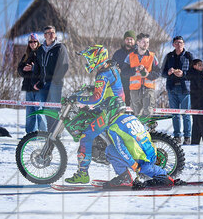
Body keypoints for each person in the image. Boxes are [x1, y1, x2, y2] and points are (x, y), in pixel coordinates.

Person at [63, 45, 171, 188]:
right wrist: (91, 88)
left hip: (109, 112)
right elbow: (108, 88)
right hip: (114, 107)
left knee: (86, 136)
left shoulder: (103, 74)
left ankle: (82, 173)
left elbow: (96, 98)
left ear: (97, 58)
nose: (88, 62)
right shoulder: (110, 68)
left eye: (90, 59)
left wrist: (77, 99)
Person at [162, 35, 194, 143]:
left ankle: (187, 136)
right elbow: (162, 73)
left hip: (184, 89)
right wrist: (168, 72)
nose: (178, 44)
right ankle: (177, 136)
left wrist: (183, 74)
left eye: (180, 42)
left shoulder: (189, 56)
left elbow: (195, 73)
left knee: (186, 114)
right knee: (175, 114)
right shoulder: (169, 56)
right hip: (172, 88)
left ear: (183, 44)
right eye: (176, 43)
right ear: (173, 45)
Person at [36, 25, 69, 129]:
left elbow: (64, 66)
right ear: (44, 35)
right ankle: (50, 132)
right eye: (49, 33)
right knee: (46, 109)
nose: (51, 35)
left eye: (53, 32)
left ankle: (56, 133)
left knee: (55, 109)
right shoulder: (40, 49)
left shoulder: (60, 47)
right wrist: (37, 81)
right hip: (43, 84)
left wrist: (56, 81)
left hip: (55, 84)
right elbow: (38, 66)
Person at [127, 33, 159, 118]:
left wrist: (148, 74)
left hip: (148, 88)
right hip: (135, 89)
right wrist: (135, 69)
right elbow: (124, 72)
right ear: (138, 42)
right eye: (144, 42)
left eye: (147, 42)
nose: (146, 44)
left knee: (148, 111)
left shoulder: (152, 56)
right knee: (137, 113)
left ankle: (149, 126)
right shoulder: (130, 56)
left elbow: (158, 72)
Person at [17, 34, 45, 133]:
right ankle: (30, 134)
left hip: (38, 87)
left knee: (40, 111)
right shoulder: (26, 55)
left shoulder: (42, 53)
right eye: (30, 42)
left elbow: (44, 69)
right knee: (30, 112)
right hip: (28, 87)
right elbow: (19, 69)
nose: (32, 44)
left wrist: (33, 68)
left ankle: (44, 133)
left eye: (34, 41)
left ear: (38, 42)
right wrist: (24, 69)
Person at [187, 58, 203, 145]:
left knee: (196, 125)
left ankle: (195, 142)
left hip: (196, 104)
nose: (201, 67)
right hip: (201, 104)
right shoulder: (197, 75)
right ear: (194, 66)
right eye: (199, 65)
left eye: (202, 65)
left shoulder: (194, 74)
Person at [111, 30, 137, 106]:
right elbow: (112, 67)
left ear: (135, 41)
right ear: (124, 40)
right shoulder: (118, 54)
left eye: (131, 39)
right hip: (122, 87)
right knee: (123, 108)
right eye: (127, 39)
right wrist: (116, 69)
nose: (129, 41)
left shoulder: (139, 53)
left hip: (136, 87)